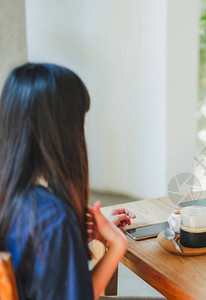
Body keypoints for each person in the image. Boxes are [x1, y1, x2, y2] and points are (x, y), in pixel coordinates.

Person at [0, 63, 136, 299]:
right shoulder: (52, 218)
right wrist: (116, 245)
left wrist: (75, 234)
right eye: (79, 119)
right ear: (60, 132)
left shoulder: (17, 199)